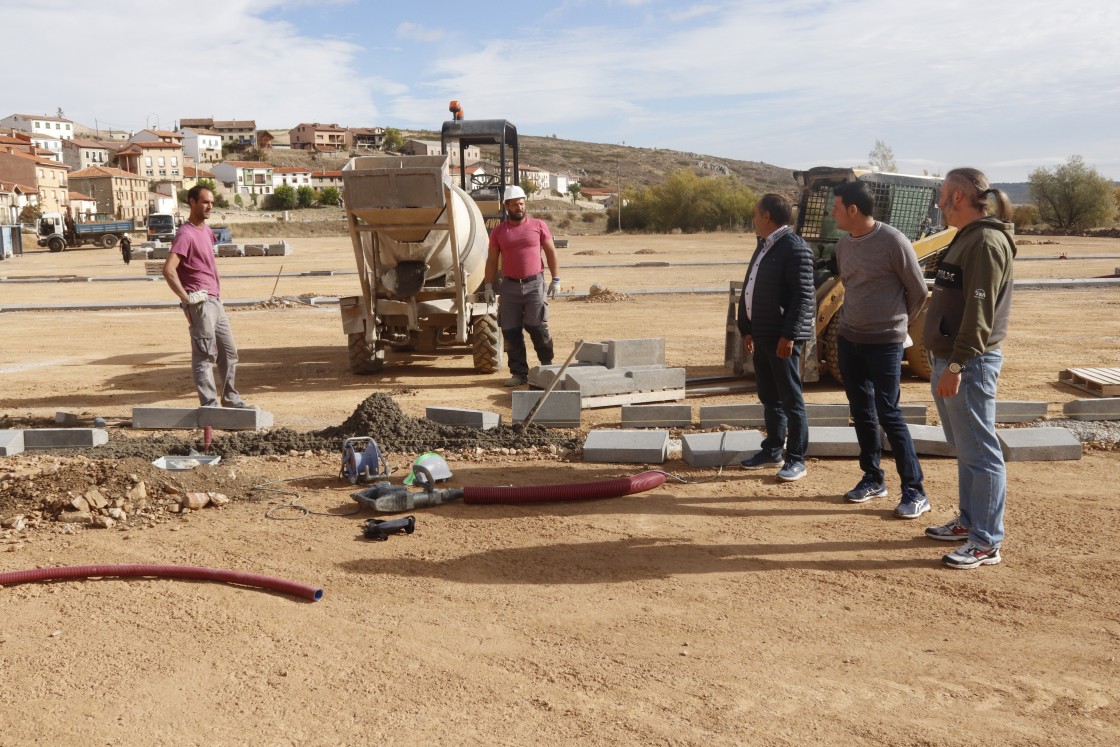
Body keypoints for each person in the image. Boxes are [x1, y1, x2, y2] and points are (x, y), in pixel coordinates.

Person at [923, 168, 1016, 569]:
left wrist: (958, 363)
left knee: (981, 451)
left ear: (958, 196)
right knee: (966, 448)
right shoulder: (968, 237)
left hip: (970, 362)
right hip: (953, 358)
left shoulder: (986, 242)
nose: (939, 202)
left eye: (943, 194)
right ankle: (969, 522)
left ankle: (986, 541)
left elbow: (980, 311)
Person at [831, 181, 931, 518]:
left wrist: (897, 326)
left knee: (889, 414)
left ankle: (915, 491)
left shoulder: (893, 241)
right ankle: (872, 478)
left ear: (853, 210)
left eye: (837, 206)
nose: (833, 213)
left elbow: (918, 291)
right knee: (861, 411)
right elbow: (851, 287)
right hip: (849, 339)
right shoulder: (844, 245)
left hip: (885, 343)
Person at [736, 193, 815, 481]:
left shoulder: (795, 248)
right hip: (762, 334)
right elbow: (751, 288)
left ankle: (796, 459)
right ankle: (772, 450)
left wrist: (789, 335)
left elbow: (803, 297)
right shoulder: (764, 246)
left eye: (756, 214)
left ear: (767, 216)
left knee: (791, 399)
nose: (753, 219)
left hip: (782, 338)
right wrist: (746, 327)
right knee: (770, 397)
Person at [162, 185, 251, 409]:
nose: (209, 206)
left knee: (229, 353)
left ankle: (230, 398)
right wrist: (186, 299)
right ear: (192, 202)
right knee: (204, 355)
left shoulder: (207, 232)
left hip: (216, 302)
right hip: (200, 303)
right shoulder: (186, 234)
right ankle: (210, 405)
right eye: (204, 202)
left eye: (211, 202)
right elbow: (169, 270)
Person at [483, 185, 561, 387]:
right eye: (515, 204)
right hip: (509, 287)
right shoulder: (499, 232)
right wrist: (489, 286)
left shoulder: (538, 225)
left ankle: (546, 366)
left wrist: (556, 279)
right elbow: (492, 261)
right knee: (510, 331)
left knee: (537, 327)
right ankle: (519, 374)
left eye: (522, 203)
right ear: (507, 206)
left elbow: (551, 252)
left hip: (534, 284)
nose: (519, 207)